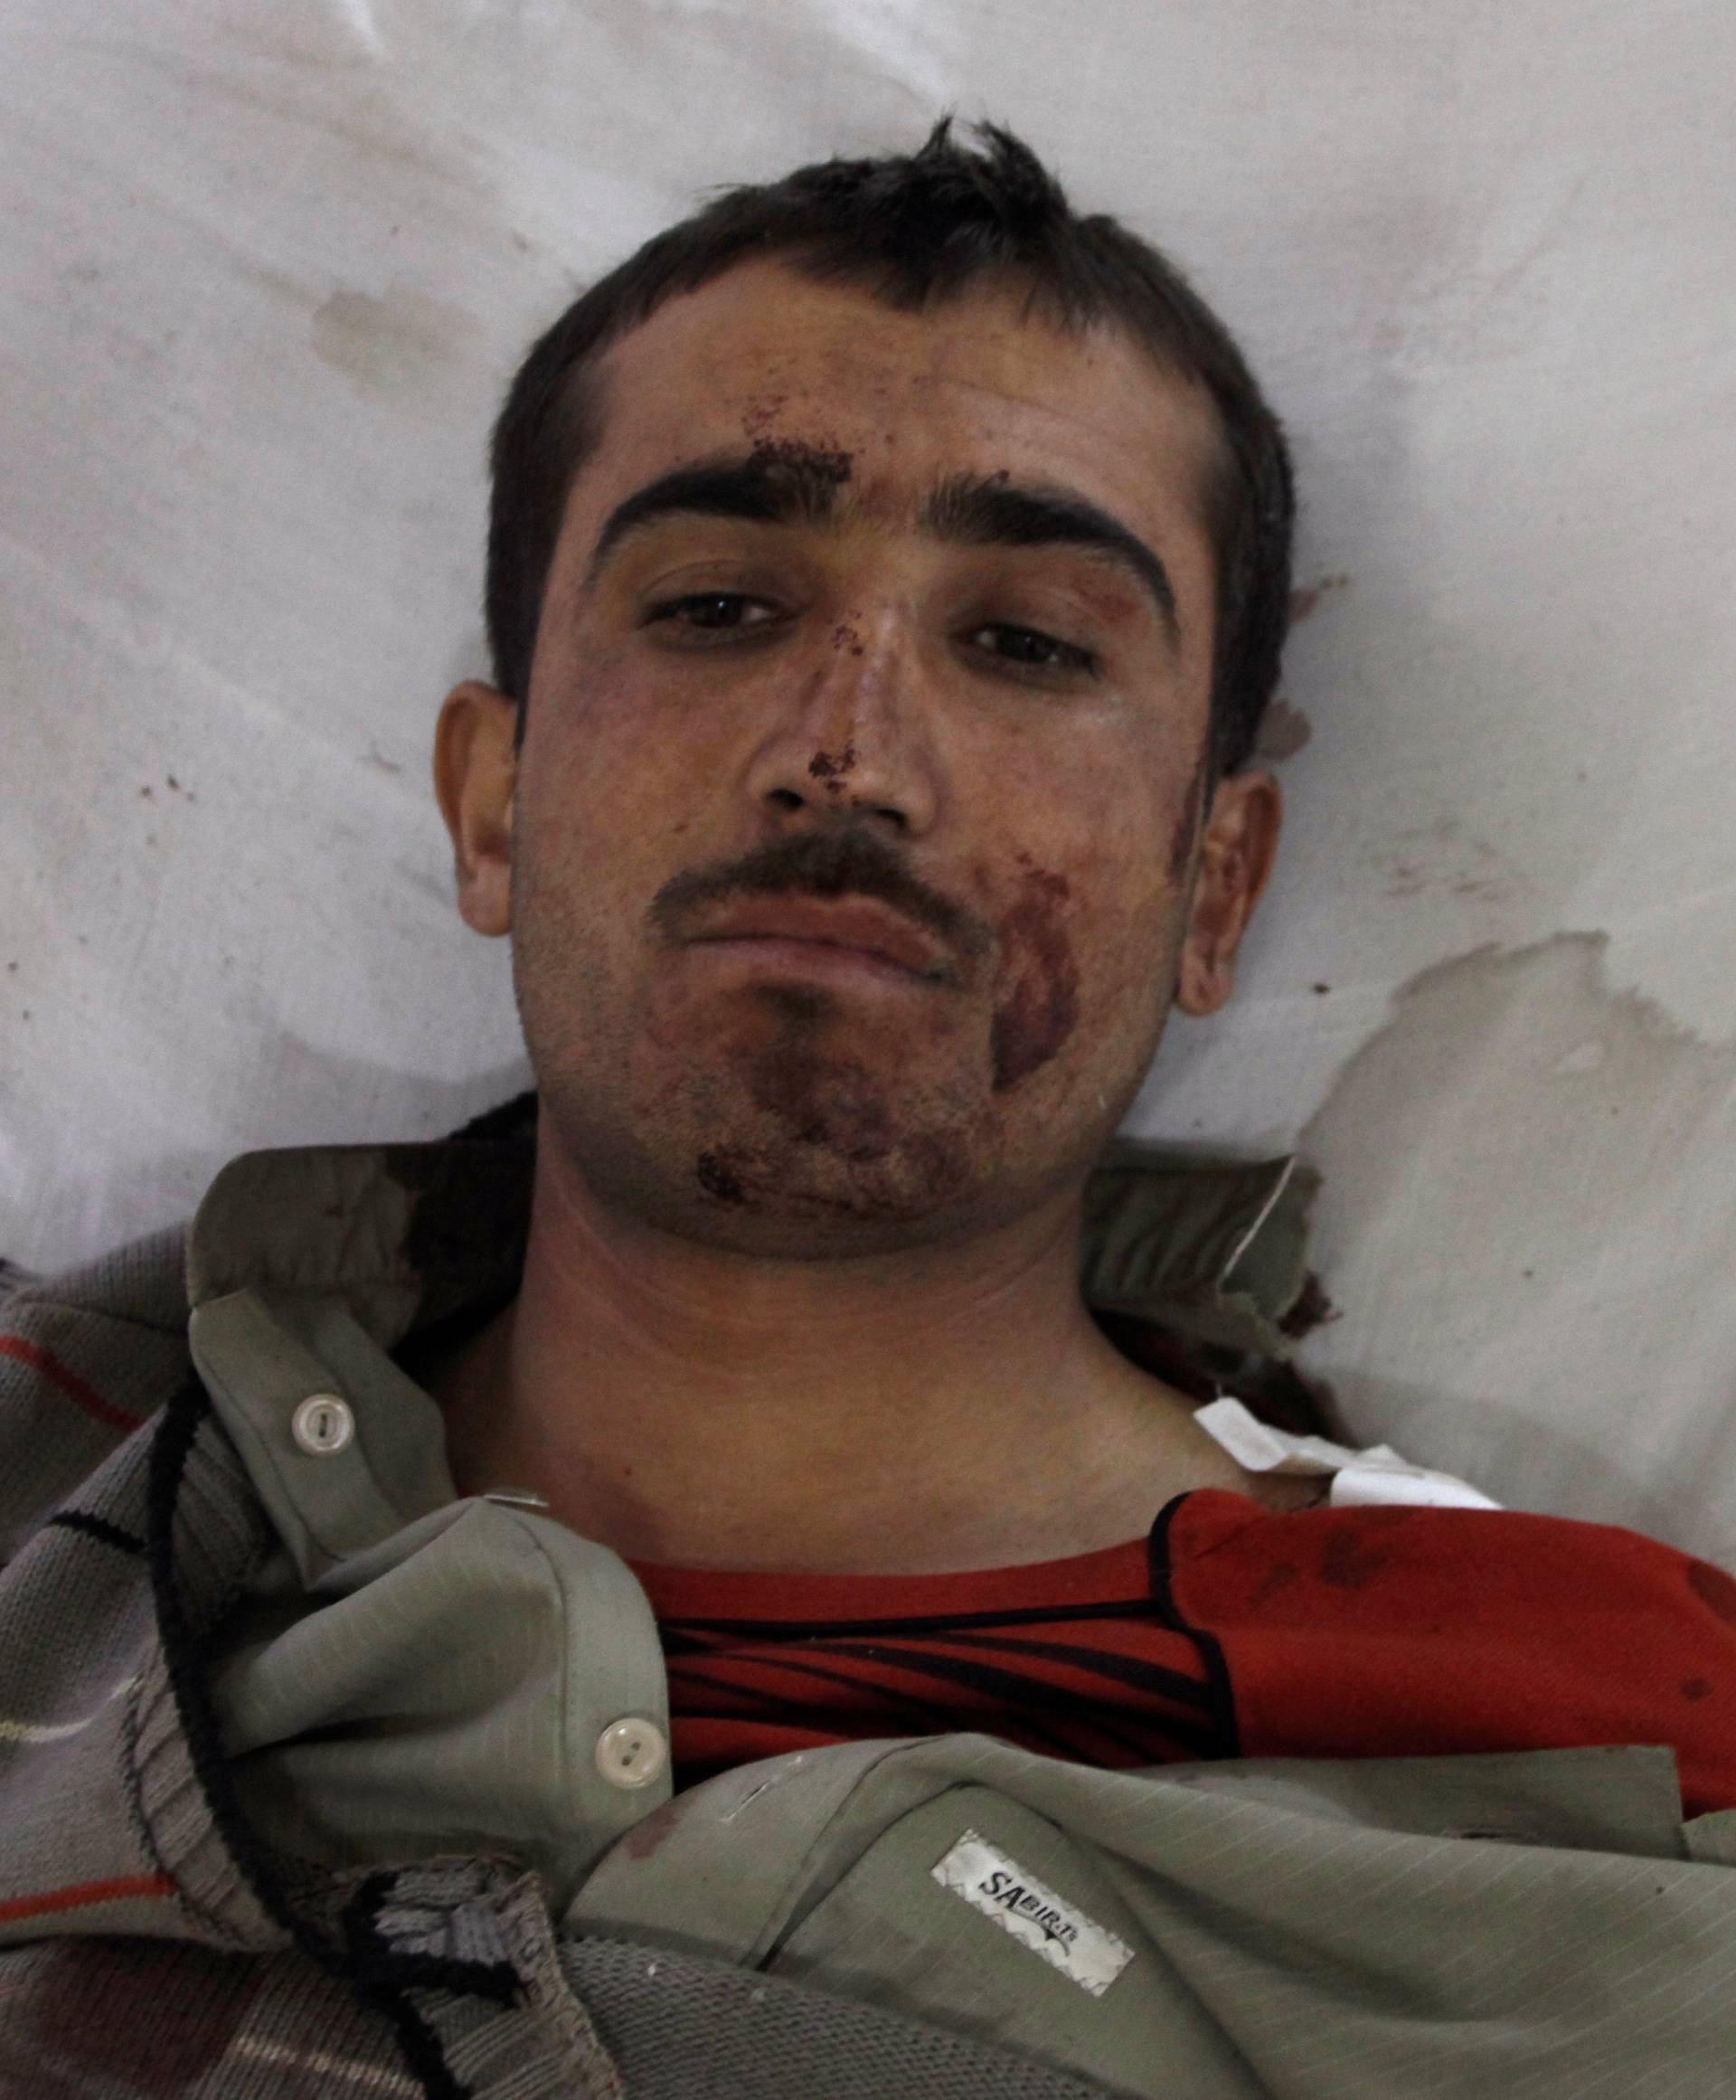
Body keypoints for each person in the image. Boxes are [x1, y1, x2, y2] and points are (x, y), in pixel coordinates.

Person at [3, 118, 1733, 2100]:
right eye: (720, 605)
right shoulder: (59, 1491)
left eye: (1025, 643)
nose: (851, 750)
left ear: (1218, 885)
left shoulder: (1601, 1756)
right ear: (494, 800)